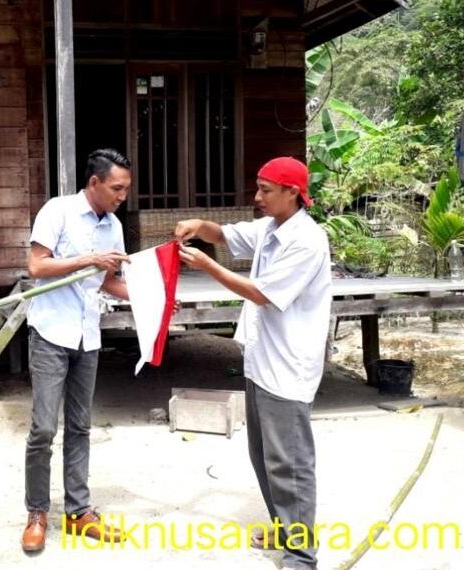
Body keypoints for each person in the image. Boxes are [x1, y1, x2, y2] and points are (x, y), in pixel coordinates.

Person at [174, 157, 330, 570]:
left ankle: (301, 555)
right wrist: (198, 224)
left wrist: (208, 266)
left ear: (293, 193)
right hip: (261, 360)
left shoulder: (306, 240)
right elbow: (224, 234)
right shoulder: (269, 228)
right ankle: (283, 527)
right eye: (257, 188)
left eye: (265, 190)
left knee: (289, 462)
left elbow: (260, 293)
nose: (257, 197)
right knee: (262, 456)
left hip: (288, 367)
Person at [21, 149, 132, 552]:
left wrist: (147, 297)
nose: (122, 195)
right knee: (44, 428)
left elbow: (106, 282)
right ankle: (36, 512)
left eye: (126, 189)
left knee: (81, 427)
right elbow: (37, 266)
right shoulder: (58, 211)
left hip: (88, 336)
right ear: (95, 183)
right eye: (117, 188)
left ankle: (78, 512)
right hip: (51, 332)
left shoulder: (114, 226)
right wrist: (89, 258)